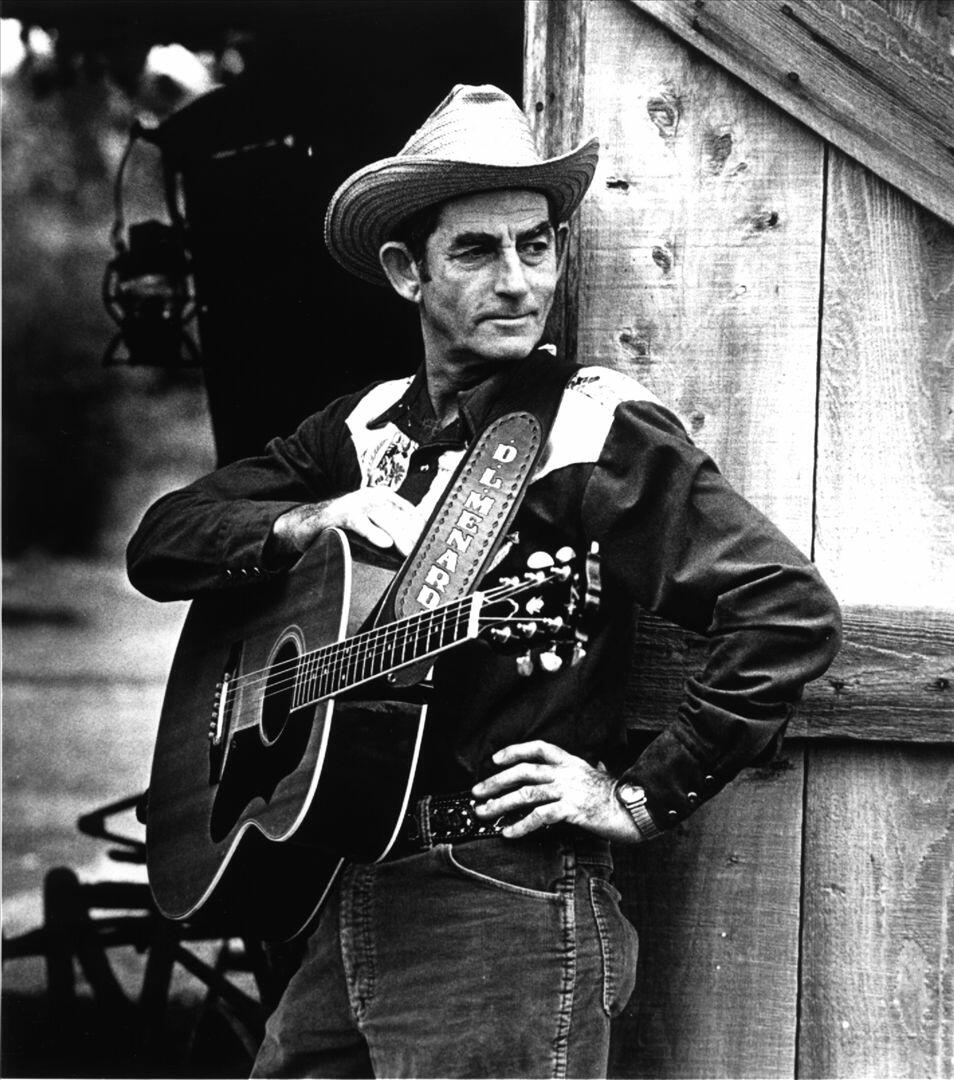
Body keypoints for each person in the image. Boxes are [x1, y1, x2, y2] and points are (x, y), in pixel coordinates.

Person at [127, 84, 842, 1079]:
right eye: (475, 251)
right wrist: (305, 520)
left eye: (535, 246)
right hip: (352, 891)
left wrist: (640, 796)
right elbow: (164, 541)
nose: (517, 281)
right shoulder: (359, 430)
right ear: (406, 271)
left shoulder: (592, 428)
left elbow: (785, 611)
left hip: (503, 907)